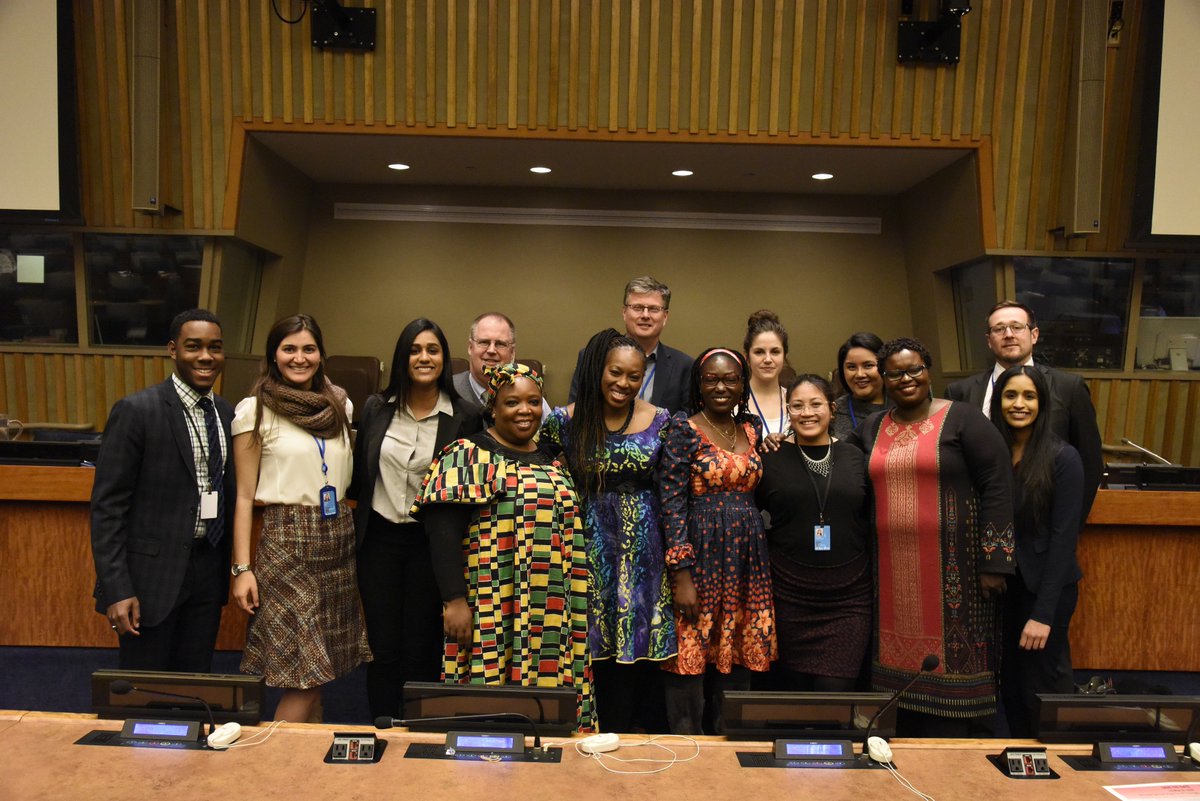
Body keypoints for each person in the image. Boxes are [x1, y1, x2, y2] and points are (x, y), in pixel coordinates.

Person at [847, 337, 1014, 737]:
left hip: (959, 575)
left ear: (928, 371)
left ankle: (963, 744)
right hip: (887, 573)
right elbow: (841, 469)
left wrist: (997, 560)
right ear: (884, 380)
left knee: (961, 668)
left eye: (914, 370)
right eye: (895, 373)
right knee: (893, 670)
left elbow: (998, 484)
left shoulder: (965, 419)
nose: (906, 379)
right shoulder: (871, 427)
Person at [413, 363, 594, 731]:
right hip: (492, 603)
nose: (524, 410)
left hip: (552, 609)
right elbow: (442, 533)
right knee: (489, 706)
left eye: (533, 401)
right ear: (493, 407)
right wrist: (454, 600)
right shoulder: (467, 454)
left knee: (550, 703)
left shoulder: (554, 458)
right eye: (512, 402)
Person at [230, 314, 370, 722]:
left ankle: (307, 776)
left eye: (308, 349)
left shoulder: (340, 405)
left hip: (337, 541)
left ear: (321, 355)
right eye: (289, 349)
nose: (299, 358)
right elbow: (242, 496)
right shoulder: (254, 410)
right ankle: (270, 775)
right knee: (302, 674)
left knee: (319, 672)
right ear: (273, 356)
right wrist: (241, 568)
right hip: (287, 543)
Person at [542, 329, 676, 733]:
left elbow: (672, 492)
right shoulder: (563, 421)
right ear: (599, 370)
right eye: (615, 373)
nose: (623, 384)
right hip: (587, 545)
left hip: (644, 552)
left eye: (634, 377)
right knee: (590, 647)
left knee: (641, 655)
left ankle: (640, 747)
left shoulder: (662, 421)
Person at [349, 318, 482, 721]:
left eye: (433, 350)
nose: (424, 357)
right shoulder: (376, 408)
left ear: (445, 358)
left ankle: (417, 731)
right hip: (379, 544)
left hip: (431, 546)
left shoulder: (465, 416)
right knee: (383, 647)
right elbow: (360, 477)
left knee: (422, 646)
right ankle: (382, 726)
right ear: (402, 357)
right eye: (415, 350)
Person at [90, 308, 235, 671]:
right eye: (194, 346)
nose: (206, 356)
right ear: (173, 350)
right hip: (148, 580)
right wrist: (117, 588)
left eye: (215, 347)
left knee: (194, 686)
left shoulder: (228, 414)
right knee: (145, 694)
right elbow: (108, 509)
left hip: (207, 570)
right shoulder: (137, 411)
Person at [658, 347, 776, 734]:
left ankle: (731, 747)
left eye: (730, 379)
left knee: (739, 651)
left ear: (743, 385)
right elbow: (671, 503)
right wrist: (682, 575)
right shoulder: (683, 428)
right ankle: (688, 748)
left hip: (747, 558)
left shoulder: (752, 429)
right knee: (691, 653)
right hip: (700, 554)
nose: (721, 386)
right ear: (699, 385)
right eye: (711, 379)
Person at [755, 374, 871, 691]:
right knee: (796, 695)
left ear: (832, 410)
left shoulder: (855, 457)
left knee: (835, 689)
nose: (807, 412)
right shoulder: (769, 457)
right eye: (798, 405)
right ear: (788, 411)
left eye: (816, 404)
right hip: (789, 593)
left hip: (848, 597)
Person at [944, 300, 1103, 522]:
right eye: (999, 329)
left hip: (1046, 523)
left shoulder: (1069, 388)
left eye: (1017, 327)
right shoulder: (960, 392)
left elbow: (1090, 461)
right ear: (989, 341)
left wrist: (1072, 524)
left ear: (1034, 335)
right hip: (979, 521)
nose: (1008, 334)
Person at [990, 365, 1084, 738]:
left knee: (1041, 683)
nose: (1019, 404)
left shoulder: (1064, 458)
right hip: (1005, 588)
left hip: (1047, 591)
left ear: (1042, 404)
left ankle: (1053, 761)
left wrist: (1043, 614)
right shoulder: (992, 451)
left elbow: (1064, 540)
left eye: (1029, 396)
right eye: (1010, 395)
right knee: (1011, 684)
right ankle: (1021, 755)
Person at [568, 276, 693, 414]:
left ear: (665, 316)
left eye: (654, 309)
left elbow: (686, 424)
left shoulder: (684, 366)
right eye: (637, 307)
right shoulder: (592, 356)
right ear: (624, 312)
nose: (645, 315)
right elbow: (575, 412)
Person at [452, 312, 550, 420]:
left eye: (500, 344)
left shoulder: (529, 393)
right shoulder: (448, 391)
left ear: (512, 353)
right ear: (470, 347)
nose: (491, 350)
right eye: (484, 342)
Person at [830, 331, 891, 440]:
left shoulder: (903, 406)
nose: (860, 374)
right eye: (851, 367)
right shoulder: (833, 413)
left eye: (868, 365)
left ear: (884, 366)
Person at [743, 310, 790, 437]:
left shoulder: (795, 401)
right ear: (747, 357)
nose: (768, 359)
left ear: (784, 356)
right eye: (759, 352)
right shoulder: (734, 403)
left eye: (775, 352)